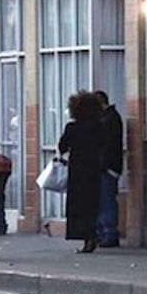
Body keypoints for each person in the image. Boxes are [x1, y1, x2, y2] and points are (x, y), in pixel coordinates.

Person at [58, 91, 104, 254]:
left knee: (79, 205)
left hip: (77, 170)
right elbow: (103, 145)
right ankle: (93, 235)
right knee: (93, 204)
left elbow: (62, 146)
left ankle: (86, 238)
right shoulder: (99, 126)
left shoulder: (72, 127)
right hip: (94, 169)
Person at [94, 90, 124, 248]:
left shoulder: (110, 119)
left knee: (107, 201)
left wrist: (102, 165)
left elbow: (107, 146)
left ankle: (110, 233)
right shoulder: (108, 118)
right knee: (103, 201)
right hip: (106, 166)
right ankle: (105, 233)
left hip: (107, 167)